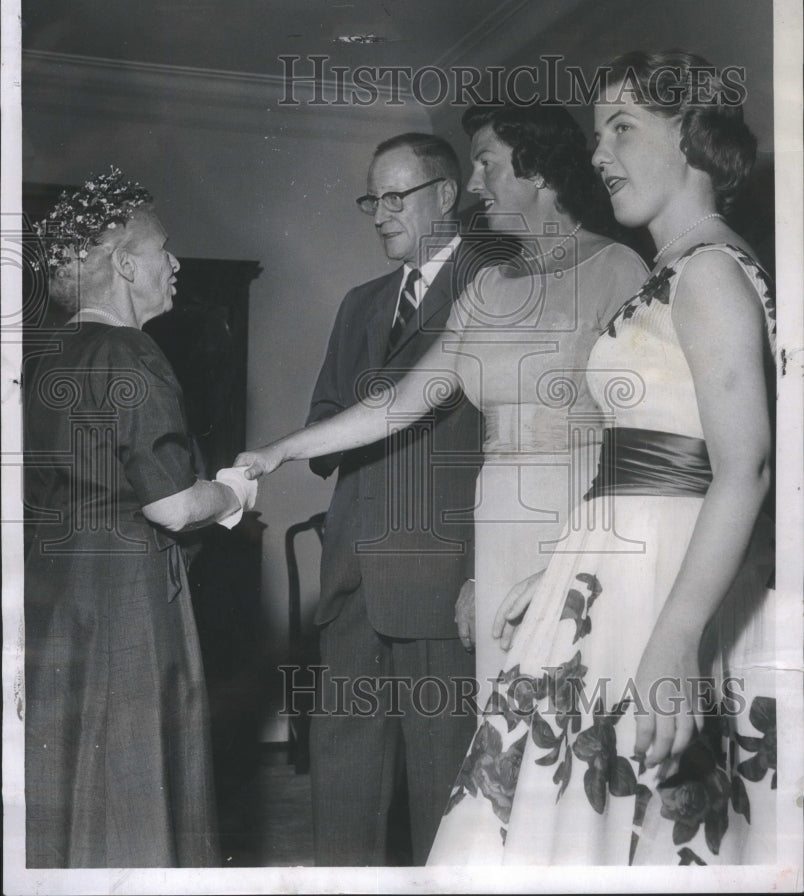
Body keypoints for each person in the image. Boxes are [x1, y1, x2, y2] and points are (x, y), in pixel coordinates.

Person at [236, 110, 647, 850]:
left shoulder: (620, 269)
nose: (474, 185)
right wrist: (277, 452)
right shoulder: (487, 288)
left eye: (487, 165)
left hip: (578, 529)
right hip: (499, 535)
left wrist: (578, 549)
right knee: (494, 763)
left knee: (568, 754)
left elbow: (645, 432)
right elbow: (396, 403)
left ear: (541, 173)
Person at [423, 50, 777, 865]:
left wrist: (675, 641)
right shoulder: (676, 268)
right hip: (617, 575)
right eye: (596, 134)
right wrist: (558, 570)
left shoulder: (711, 273)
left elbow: (743, 468)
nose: (597, 154)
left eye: (623, 128)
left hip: (665, 592)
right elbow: (646, 456)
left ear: (693, 136)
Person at [24, 167, 257, 868]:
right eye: (164, 249)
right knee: (134, 778)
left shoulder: (43, 357)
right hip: (127, 591)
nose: (176, 262)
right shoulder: (132, 353)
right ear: (127, 265)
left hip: (57, 589)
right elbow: (172, 504)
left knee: (68, 770)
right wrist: (232, 493)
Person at [294, 133, 500, 866]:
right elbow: (323, 416)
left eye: (395, 197)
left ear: (446, 194)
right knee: (343, 785)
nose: (379, 214)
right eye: (370, 200)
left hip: (442, 575)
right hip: (352, 569)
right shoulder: (359, 305)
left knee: (445, 786)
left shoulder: (500, 284)